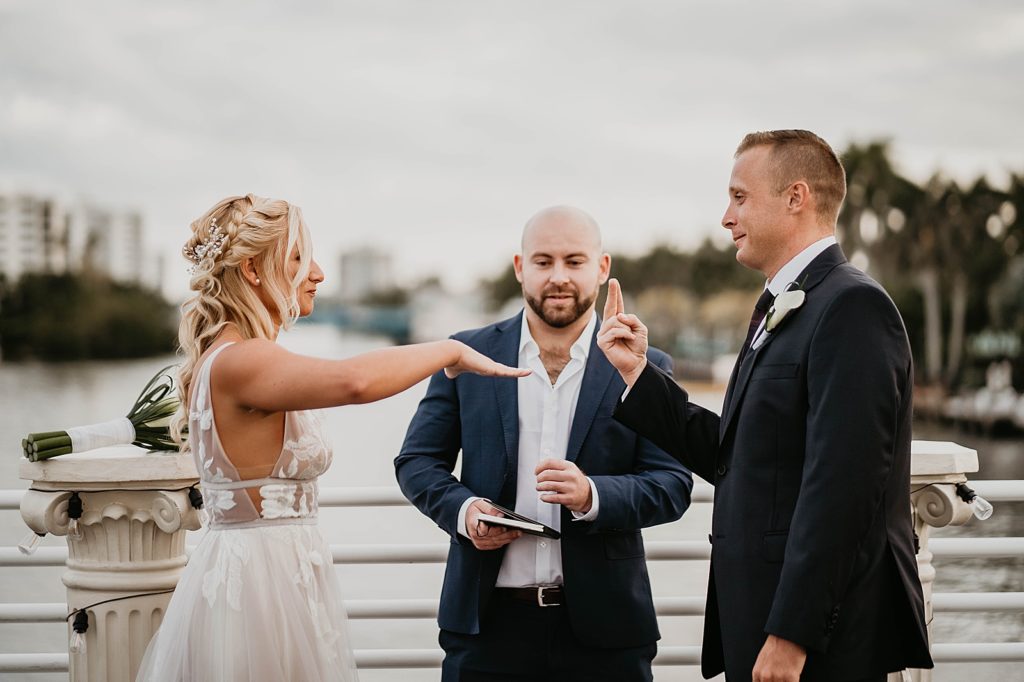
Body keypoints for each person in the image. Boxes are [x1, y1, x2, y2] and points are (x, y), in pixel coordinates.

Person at [136, 194, 528, 682]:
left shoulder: (235, 356)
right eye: (300, 258)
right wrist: (450, 349)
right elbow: (354, 382)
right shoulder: (243, 359)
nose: (318, 273)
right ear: (255, 270)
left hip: (282, 571)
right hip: (259, 586)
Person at [598, 130, 934, 682]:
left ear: (795, 197)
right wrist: (638, 373)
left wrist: (793, 635)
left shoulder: (852, 305)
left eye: (739, 197)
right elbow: (738, 454)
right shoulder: (783, 305)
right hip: (757, 618)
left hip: (816, 642)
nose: (726, 218)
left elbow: (843, 489)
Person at [395, 206, 693, 682]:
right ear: (520, 268)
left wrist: (593, 496)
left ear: (602, 268)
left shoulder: (646, 364)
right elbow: (417, 461)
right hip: (486, 630)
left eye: (574, 261)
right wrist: (465, 510)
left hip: (607, 635)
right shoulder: (465, 353)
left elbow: (674, 484)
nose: (558, 277)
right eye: (543, 261)